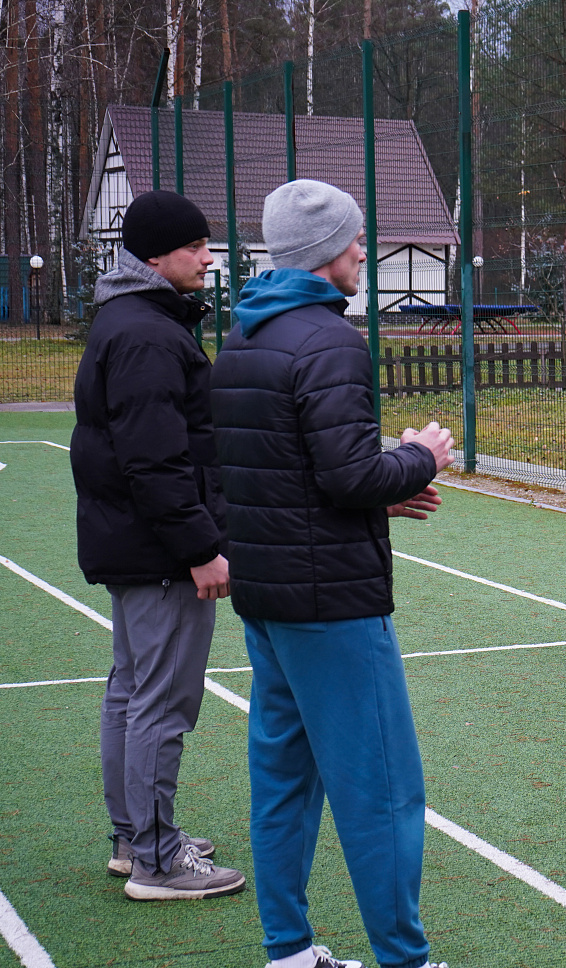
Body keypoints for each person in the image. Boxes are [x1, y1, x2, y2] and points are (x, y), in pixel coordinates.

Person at [211, 180, 453, 968]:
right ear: (325, 251)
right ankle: (404, 960)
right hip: (330, 602)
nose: (362, 250)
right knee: (383, 790)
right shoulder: (330, 340)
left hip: (268, 595)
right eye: (355, 238)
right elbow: (347, 475)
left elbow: (278, 470)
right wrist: (419, 458)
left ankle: (287, 951)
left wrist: (388, 489)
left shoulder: (244, 335)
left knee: (282, 780)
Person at [70, 190, 246, 901]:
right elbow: (155, 460)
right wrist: (200, 546)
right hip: (159, 550)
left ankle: (134, 839)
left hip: (135, 542)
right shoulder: (146, 333)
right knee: (160, 702)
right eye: (195, 246)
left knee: (132, 691)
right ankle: (156, 860)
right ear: (155, 256)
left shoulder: (132, 319)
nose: (208, 258)